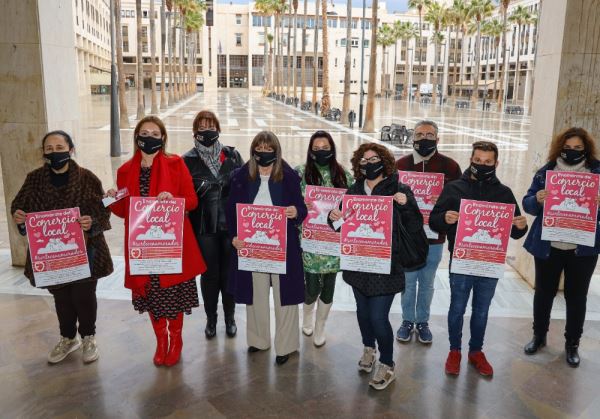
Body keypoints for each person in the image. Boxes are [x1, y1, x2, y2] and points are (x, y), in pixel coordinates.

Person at [108, 116, 206, 367]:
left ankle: (176, 339)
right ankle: (161, 340)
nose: (149, 137)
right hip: (142, 247)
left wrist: (173, 199)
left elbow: (192, 201)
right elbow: (123, 211)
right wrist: (112, 198)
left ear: (163, 138)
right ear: (137, 137)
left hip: (170, 246)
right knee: (152, 295)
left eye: (154, 133)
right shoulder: (125, 170)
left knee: (172, 295)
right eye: (144, 132)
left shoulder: (176, 164)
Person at [11, 130, 113, 364]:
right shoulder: (34, 179)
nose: (55, 153)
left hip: (86, 251)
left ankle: (88, 336)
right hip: (52, 254)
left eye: (60, 148)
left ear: (71, 149)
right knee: (62, 298)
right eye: (49, 149)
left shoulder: (87, 178)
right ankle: (68, 338)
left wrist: (92, 223)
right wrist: (19, 217)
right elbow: (19, 206)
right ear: (43, 153)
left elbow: (102, 208)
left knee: (84, 295)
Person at [329, 143, 424, 391]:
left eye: (374, 159)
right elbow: (339, 225)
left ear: (384, 161)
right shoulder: (353, 191)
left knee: (378, 317)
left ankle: (388, 364)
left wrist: (406, 205)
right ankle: (369, 348)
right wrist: (333, 218)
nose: (369, 164)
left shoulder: (399, 189)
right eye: (364, 160)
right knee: (362, 313)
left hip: (387, 266)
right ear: (358, 165)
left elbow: (414, 225)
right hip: (359, 265)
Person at [429, 141, 528, 377]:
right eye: (478, 161)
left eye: (487, 162)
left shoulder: (504, 193)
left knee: (481, 310)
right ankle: (455, 350)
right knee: (457, 308)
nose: (482, 165)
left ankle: (476, 351)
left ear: (496, 163)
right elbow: (434, 221)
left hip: (489, 263)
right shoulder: (454, 189)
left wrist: (521, 226)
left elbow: (514, 230)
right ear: (471, 159)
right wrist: (446, 218)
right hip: (462, 261)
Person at [226, 131, 307, 366]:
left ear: (276, 150)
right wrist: (233, 237)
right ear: (253, 150)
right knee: (256, 295)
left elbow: (301, 209)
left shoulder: (288, 175)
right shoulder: (242, 175)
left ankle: (287, 345)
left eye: (268, 148)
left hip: (283, 248)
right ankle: (259, 340)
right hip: (252, 248)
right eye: (259, 148)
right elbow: (231, 209)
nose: (263, 152)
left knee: (285, 298)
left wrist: (295, 212)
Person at [522, 127, 600, 367]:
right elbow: (527, 204)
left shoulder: (597, 172)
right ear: (560, 147)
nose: (573, 151)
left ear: (586, 149)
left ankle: (572, 343)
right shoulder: (547, 171)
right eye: (568, 147)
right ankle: (539, 336)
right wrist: (537, 199)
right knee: (543, 293)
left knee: (577, 297)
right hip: (549, 244)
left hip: (582, 248)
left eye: (578, 148)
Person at [395, 120, 462, 344]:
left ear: (438, 139)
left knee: (427, 281)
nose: (425, 139)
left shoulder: (450, 167)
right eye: (420, 134)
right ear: (412, 138)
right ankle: (407, 320)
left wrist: (445, 198)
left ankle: (422, 321)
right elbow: (387, 197)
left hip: (435, 236)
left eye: (430, 135)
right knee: (407, 281)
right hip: (408, 236)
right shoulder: (400, 165)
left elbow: (461, 199)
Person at [183, 110, 243, 339]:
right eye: (202, 126)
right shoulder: (186, 160)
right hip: (203, 228)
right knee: (209, 276)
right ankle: (211, 319)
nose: (207, 130)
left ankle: (230, 317)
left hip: (230, 227)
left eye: (211, 125)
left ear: (218, 128)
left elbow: (247, 185)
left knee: (229, 274)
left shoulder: (233, 155)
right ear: (195, 131)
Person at [295, 130, 353, 347]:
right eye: (317, 148)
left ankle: (320, 326)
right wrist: (302, 204)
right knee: (310, 286)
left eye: (325, 148)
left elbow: (354, 203)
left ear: (332, 149)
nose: (321, 152)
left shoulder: (343, 174)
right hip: (310, 240)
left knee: (328, 286)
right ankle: (307, 315)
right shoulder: (300, 173)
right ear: (311, 151)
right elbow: (289, 199)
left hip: (333, 241)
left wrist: (343, 211)